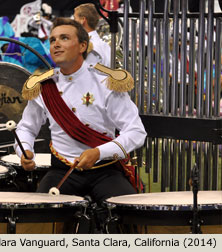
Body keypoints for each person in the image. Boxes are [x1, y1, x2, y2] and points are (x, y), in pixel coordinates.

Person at [15, 18, 146, 209]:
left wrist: (99, 152)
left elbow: (136, 132)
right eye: (52, 40)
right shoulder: (44, 86)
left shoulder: (106, 82)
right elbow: (26, 127)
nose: (56, 44)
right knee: (40, 216)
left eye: (64, 38)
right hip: (61, 171)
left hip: (105, 170)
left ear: (83, 46)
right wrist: (25, 149)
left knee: (128, 213)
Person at [73, 3, 111, 67]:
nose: (73, 22)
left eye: (75, 18)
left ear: (83, 20)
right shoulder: (105, 45)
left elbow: (85, 74)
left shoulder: (87, 45)